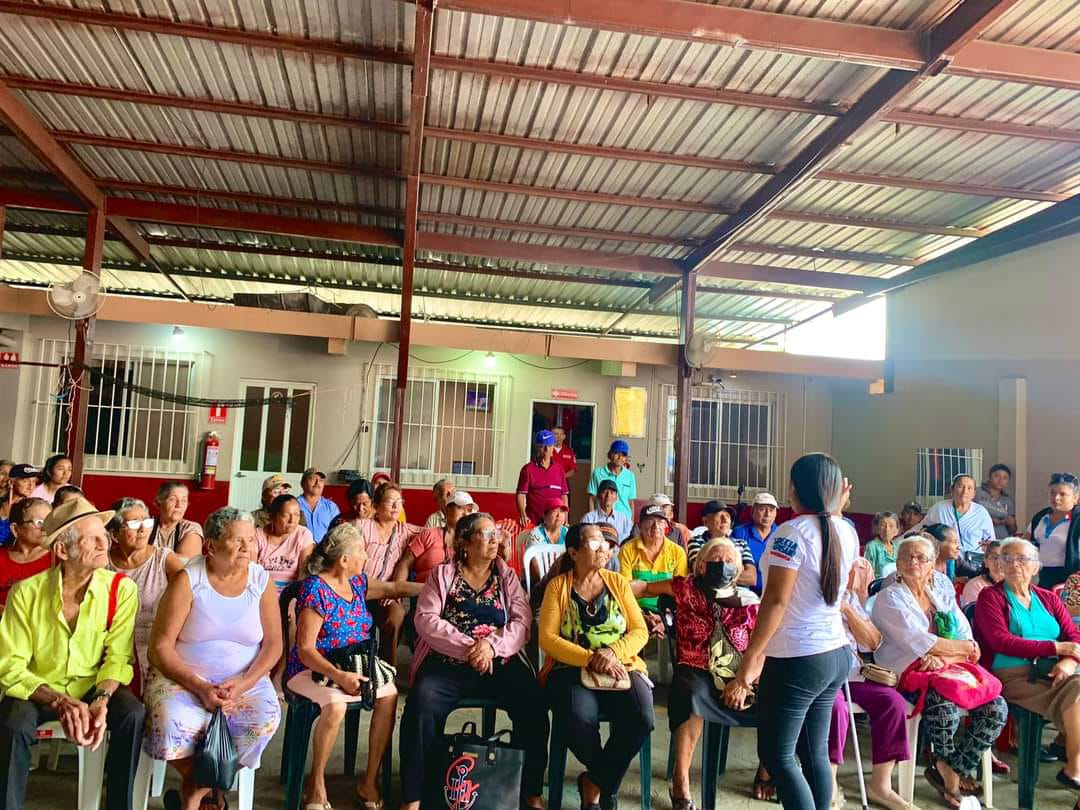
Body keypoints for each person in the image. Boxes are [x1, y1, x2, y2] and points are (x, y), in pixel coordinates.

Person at [723, 453, 857, 810]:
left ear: (794, 490)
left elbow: (775, 602)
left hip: (799, 659)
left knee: (776, 754)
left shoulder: (791, 533)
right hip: (835, 653)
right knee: (813, 752)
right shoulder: (845, 530)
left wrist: (750, 661)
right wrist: (837, 503)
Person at [0, 496, 144, 810]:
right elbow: (11, 666)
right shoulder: (25, 593)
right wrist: (58, 700)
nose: (104, 543)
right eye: (91, 538)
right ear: (63, 550)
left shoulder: (121, 589)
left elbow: (118, 658)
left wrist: (101, 698)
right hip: (39, 688)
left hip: (94, 685)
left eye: (103, 535)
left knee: (132, 714)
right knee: (12, 722)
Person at [400, 512, 548, 810]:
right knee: (421, 703)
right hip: (448, 661)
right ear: (465, 543)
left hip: (499, 661)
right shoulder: (442, 575)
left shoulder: (506, 577)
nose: (495, 539)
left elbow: (522, 622)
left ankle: (530, 789)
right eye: (486, 534)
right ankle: (413, 796)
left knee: (533, 702)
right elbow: (425, 619)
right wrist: (471, 648)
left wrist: (491, 647)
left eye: (496, 534)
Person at [145, 507, 281, 810]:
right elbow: (160, 647)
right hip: (183, 679)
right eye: (237, 540)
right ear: (211, 546)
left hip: (244, 681)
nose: (247, 547)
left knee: (264, 720)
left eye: (251, 539)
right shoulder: (188, 579)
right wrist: (200, 687)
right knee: (170, 721)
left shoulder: (261, 581)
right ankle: (211, 788)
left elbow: (274, 646)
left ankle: (195, 793)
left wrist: (244, 683)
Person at [286, 522, 421, 810]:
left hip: (353, 665)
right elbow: (306, 649)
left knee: (389, 695)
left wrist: (440, 585)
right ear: (344, 559)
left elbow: (395, 587)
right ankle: (316, 784)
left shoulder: (357, 583)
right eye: (361, 551)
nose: (366, 556)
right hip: (312, 670)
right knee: (335, 705)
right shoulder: (315, 589)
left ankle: (368, 780)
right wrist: (338, 675)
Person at [873, 535, 1007, 808]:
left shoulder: (940, 595)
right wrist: (957, 650)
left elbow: (967, 639)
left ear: (932, 564)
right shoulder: (889, 598)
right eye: (907, 556)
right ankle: (950, 776)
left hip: (946, 670)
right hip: (907, 671)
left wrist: (947, 656)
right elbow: (919, 642)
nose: (913, 562)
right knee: (942, 704)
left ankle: (951, 767)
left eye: (921, 557)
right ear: (897, 563)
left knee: (997, 707)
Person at [639, 537, 760, 809]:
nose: (723, 564)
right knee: (691, 695)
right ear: (702, 565)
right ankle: (680, 780)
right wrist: (617, 589)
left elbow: (761, 649)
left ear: (738, 570)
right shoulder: (686, 587)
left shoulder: (750, 602)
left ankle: (767, 773)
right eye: (716, 559)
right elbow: (645, 587)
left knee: (781, 698)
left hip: (739, 672)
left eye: (729, 561)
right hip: (696, 667)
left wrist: (744, 681)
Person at [539, 522, 652, 810]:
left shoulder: (617, 583)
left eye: (605, 543)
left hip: (620, 665)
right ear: (574, 552)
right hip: (571, 668)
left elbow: (640, 631)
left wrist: (613, 652)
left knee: (641, 718)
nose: (603, 548)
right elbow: (547, 639)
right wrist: (590, 658)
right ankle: (605, 782)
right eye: (594, 543)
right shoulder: (558, 587)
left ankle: (595, 782)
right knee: (577, 721)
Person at [975, 537, 1080, 789]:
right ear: (1000, 565)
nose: (1014, 564)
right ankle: (1074, 767)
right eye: (1007, 559)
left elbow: (1074, 636)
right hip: (1012, 675)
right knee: (1077, 691)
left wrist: (1068, 661)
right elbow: (1001, 641)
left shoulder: (1048, 598)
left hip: (1052, 671)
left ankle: (1074, 767)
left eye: (1022, 559)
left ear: (1036, 566)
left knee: (1076, 687)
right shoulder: (990, 597)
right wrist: (1056, 648)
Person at [828, 564, 914, 810]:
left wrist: (846, 609)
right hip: (823, 676)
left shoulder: (850, 598)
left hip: (853, 674)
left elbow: (873, 642)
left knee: (892, 703)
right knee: (835, 709)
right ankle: (829, 783)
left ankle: (881, 786)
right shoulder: (808, 593)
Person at [106, 497, 186, 679]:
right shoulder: (104, 563)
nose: (143, 529)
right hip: (112, 650)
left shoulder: (163, 559)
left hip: (157, 649)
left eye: (147, 521)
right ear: (115, 534)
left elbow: (191, 599)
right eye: (134, 523)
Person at [355, 482, 420, 664]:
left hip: (386, 594)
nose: (396, 506)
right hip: (358, 591)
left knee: (396, 616)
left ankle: (386, 668)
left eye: (399, 502)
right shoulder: (363, 527)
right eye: (391, 501)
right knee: (357, 623)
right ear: (376, 506)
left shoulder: (404, 530)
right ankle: (357, 665)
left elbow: (432, 533)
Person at [394, 490, 475, 585]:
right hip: (422, 589)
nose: (465, 514)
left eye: (469, 510)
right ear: (447, 510)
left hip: (457, 592)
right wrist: (398, 590)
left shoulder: (472, 542)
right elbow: (405, 564)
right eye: (460, 508)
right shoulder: (429, 534)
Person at [620, 504, 688, 614]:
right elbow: (625, 591)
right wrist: (641, 615)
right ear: (639, 526)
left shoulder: (678, 552)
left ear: (666, 525)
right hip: (636, 611)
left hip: (668, 613)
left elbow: (680, 592)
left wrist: (665, 618)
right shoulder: (627, 550)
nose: (656, 526)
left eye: (660, 521)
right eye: (650, 521)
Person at [923, 475, 995, 575]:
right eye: (960, 486)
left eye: (969, 488)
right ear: (952, 490)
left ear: (974, 493)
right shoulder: (939, 508)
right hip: (944, 561)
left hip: (974, 564)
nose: (965, 491)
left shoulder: (981, 512)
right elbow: (923, 530)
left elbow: (990, 541)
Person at [1028, 472, 1080, 589]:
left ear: (1075, 497)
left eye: (1062, 494)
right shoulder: (1040, 517)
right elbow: (1026, 544)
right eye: (1052, 493)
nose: (1056, 498)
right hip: (1042, 576)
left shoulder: (1077, 520)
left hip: (1071, 580)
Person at [254, 493, 315, 593]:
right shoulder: (258, 535)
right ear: (272, 516)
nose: (292, 520)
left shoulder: (303, 534)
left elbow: (304, 574)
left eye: (296, 515)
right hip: (261, 591)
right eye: (285, 515)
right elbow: (250, 571)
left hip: (291, 593)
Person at [0, 497, 52, 611]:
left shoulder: (57, 558)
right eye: (39, 522)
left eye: (49, 521)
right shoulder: (1, 557)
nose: (45, 528)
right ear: (15, 529)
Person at [516, 429, 569, 527]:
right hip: (533, 522)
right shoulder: (528, 469)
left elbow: (564, 495)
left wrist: (565, 518)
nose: (546, 449)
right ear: (537, 447)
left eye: (549, 446)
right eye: (542, 446)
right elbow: (521, 494)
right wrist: (523, 515)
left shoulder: (559, 469)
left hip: (555, 523)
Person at [731, 492, 779, 593]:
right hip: (746, 592)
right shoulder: (740, 533)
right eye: (762, 509)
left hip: (774, 592)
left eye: (771, 510)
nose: (767, 514)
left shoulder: (782, 534)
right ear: (752, 511)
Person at [688, 500, 749, 577]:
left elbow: (751, 577)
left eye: (727, 516)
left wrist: (716, 568)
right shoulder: (696, 541)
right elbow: (699, 570)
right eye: (719, 516)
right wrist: (737, 568)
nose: (725, 520)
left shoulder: (741, 543)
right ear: (705, 521)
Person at [149, 481, 203, 558]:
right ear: (158, 503)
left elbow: (185, 561)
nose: (179, 505)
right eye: (172, 499)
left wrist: (146, 553)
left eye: (184, 500)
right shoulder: (146, 525)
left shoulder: (191, 528)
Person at [587, 440, 636, 518]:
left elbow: (631, 502)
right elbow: (592, 499)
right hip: (602, 518)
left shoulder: (630, 475)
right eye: (617, 453)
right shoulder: (598, 473)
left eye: (623, 455)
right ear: (609, 455)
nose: (620, 457)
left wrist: (631, 521)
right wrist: (591, 519)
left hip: (624, 519)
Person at [297, 467, 341, 542]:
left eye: (321, 480)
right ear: (302, 483)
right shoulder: (294, 505)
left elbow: (337, 533)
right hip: (300, 547)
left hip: (324, 548)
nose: (317, 483)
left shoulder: (331, 507)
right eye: (313, 479)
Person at [0, 465, 39, 547]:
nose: (31, 486)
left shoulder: (33, 509)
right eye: (25, 481)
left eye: (34, 481)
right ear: (11, 482)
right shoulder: (1, 502)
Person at [977, 464, 1017, 540]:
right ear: (989, 476)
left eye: (1005, 478)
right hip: (981, 540)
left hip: (1002, 541)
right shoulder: (977, 493)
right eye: (997, 476)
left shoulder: (1007, 500)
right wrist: (991, 521)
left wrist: (1012, 524)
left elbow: (1012, 530)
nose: (1000, 480)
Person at [960, 541, 1004, 608]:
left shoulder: (1016, 585)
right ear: (986, 562)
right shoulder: (974, 586)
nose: (999, 562)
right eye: (995, 557)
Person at [864, 511, 900, 579]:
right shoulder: (871, 547)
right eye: (883, 525)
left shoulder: (899, 547)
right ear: (877, 528)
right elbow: (867, 574)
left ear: (897, 531)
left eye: (891, 526)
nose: (887, 529)